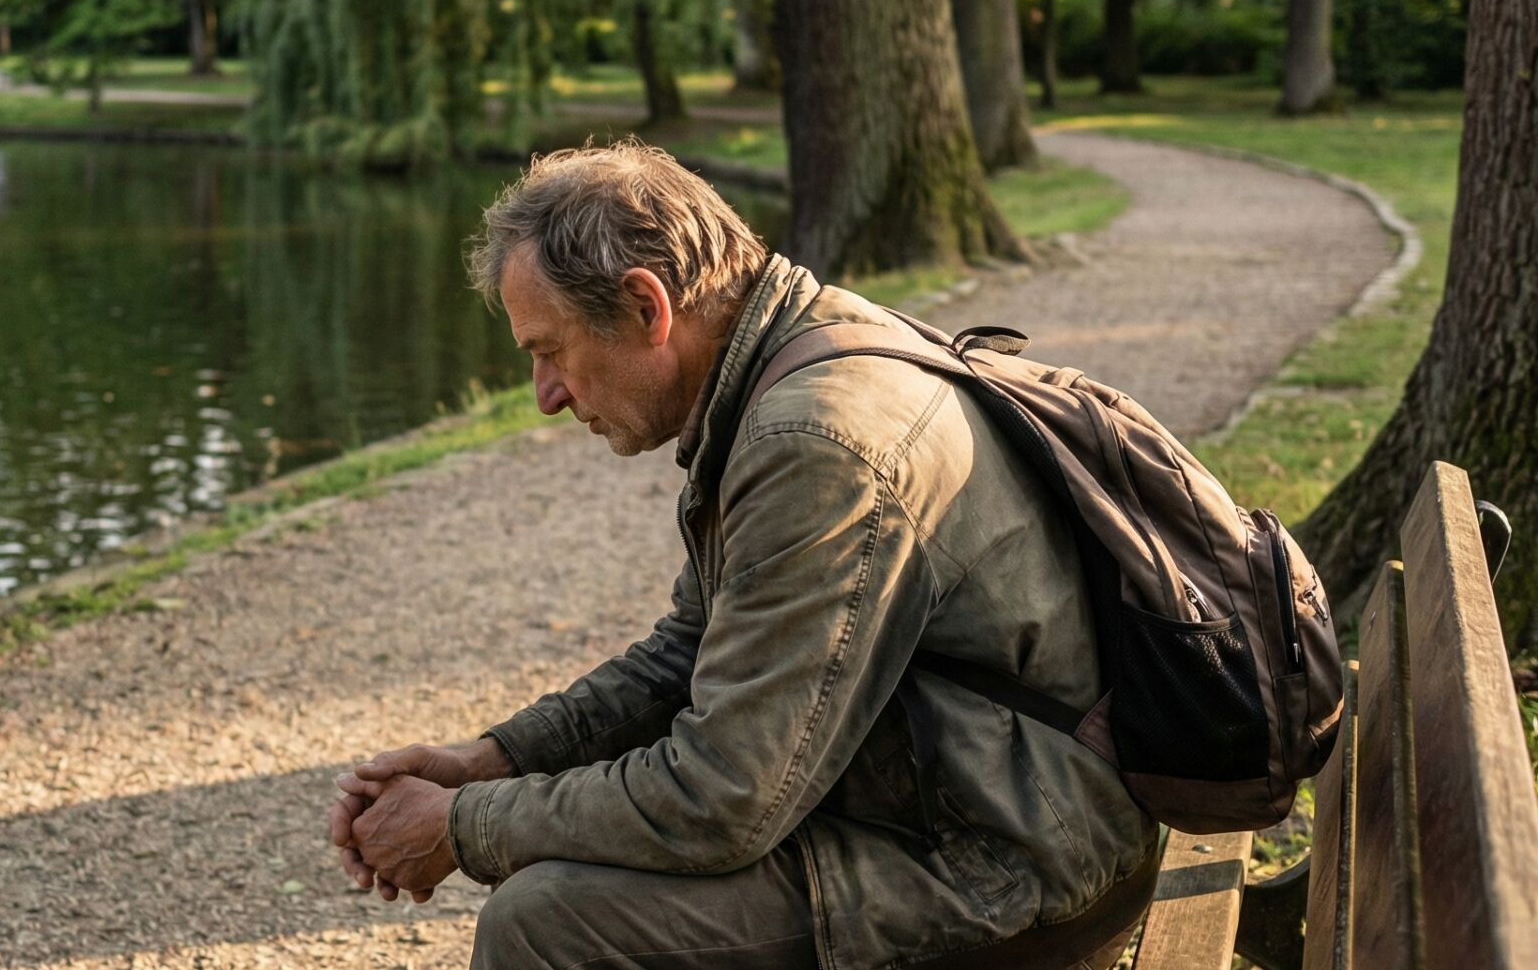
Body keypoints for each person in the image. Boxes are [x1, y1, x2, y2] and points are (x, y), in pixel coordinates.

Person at [328, 141, 1161, 970]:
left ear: (646, 306)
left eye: (550, 351)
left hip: (1013, 875)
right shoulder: (798, 348)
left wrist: (463, 826)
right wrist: (494, 761)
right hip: (984, 818)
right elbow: (688, 651)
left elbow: (720, 798)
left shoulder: (814, 442)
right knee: (571, 859)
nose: (546, 395)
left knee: (546, 924)